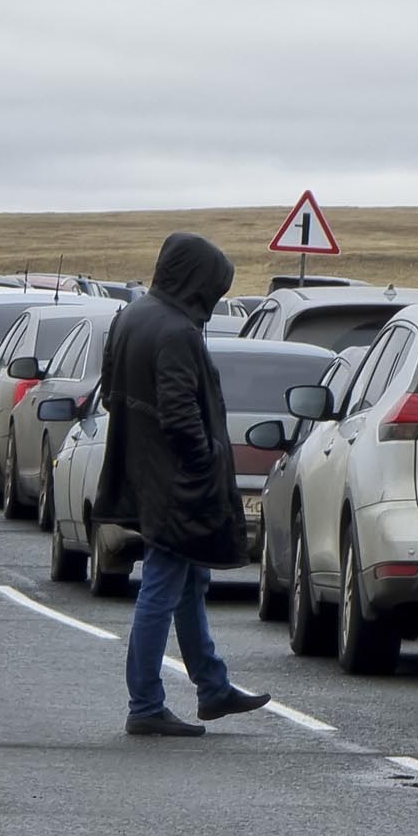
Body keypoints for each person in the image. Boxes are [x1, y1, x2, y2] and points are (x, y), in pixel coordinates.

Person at [94, 232, 273, 737]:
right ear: (196, 281)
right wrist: (204, 458)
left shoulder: (131, 315)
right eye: (213, 287)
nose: (214, 300)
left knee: (190, 580)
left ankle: (212, 686)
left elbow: (111, 393)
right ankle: (145, 703)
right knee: (162, 585)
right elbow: (178, 412)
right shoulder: (176, 331)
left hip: (145, 471)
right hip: (176, 480)